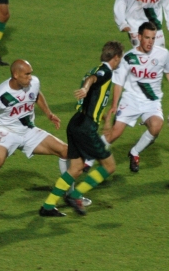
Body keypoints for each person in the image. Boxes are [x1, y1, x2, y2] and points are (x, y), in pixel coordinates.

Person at [0, 59, 77, 214]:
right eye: (26, 74)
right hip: (6, 132)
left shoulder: (33, 82)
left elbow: (36, 95)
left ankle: (70, 195)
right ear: (15, 75)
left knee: (66, 151)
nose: (30, 77)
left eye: (31, 73)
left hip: (28, 131)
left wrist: (48, 113)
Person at [39, 41, 124, 217]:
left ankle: (48, 206)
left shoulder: (94, 68)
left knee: (76, 166)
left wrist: (105, 118)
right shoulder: (105, 72)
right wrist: (85, 88)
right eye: (120, 58)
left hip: (75, 123)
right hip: (86, 127)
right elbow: (92, 80)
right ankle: (76, 195)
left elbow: (93, 98)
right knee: (109, 166)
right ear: (116, 57)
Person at [91, 21, 169, 173]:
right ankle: (88, 160)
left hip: (151, 102)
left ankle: (134, 152)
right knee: (114, 134)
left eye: (153, 38)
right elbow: (118, 83)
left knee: (156, 126)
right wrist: (114, 105)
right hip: (131, 99)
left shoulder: (163, 54)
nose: (150, 42)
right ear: (139, 37)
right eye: (147, 38)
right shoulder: (128, 57)